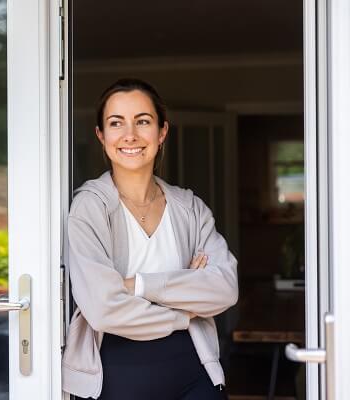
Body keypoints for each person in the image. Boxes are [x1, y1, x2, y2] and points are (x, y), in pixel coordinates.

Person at [61, 78, 238, 400]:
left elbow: (223, 289)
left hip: (195, 373)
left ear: (162, 132)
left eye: (143, 121)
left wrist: (136, 286)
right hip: (116, 375)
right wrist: (184, 309)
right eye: (116, 123)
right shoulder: (89, 207)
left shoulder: (190, 208)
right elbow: (103, 309)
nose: (130, 135)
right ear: (101, 135)